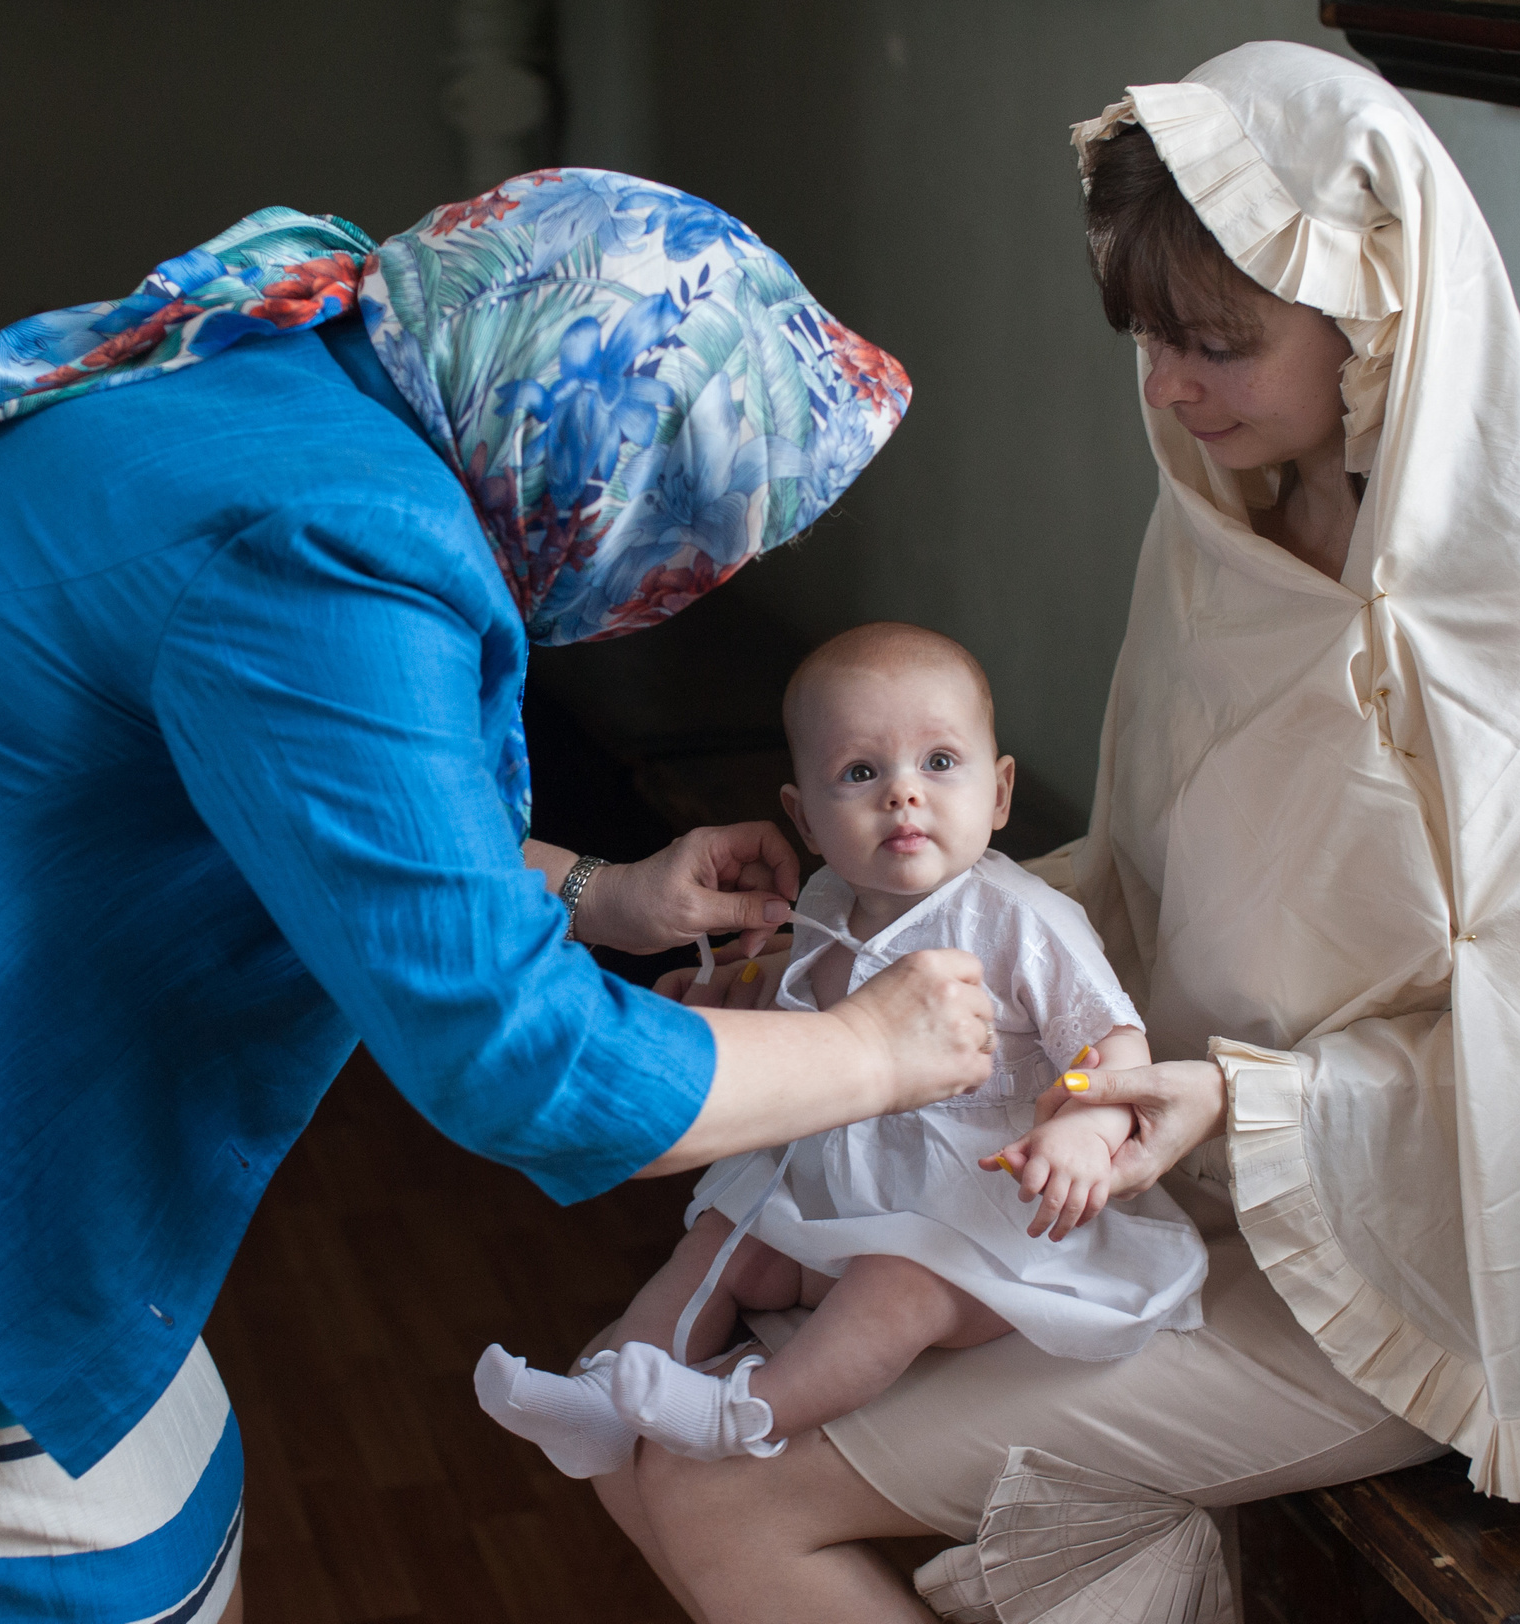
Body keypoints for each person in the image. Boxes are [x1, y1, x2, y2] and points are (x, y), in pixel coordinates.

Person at [0, 169, 1005, 1624]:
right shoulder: (342, 543)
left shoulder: (288, 356)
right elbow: (527, 1066)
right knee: (99, 1579)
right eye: (700, 532)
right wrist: (883, 1049)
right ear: (606, 476)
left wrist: (600, 893)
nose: (690, 579)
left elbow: (305, 801)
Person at [599, 44, 1520, 1624]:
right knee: (656, 1418)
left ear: (1377, 315)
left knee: (717, 1493)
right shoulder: (1225, 527)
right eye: (1149, 341)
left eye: (1219, 342)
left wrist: (1237, 1103)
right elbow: (1134, 884)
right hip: (1144, 1172)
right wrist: (869, 926)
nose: (1175, 390)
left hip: (1403, 1262)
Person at [474, 623, 1209, 1476]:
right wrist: (741, 992)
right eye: (861, 773)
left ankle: (746, 1413)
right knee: (723, 1234)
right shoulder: (824, 900)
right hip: (832, 1194)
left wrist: (1086, 1131)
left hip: (977, 1229)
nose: (903, 795)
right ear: (806, 819)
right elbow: (801, 1004)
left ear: (999, 793)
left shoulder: (1020, 919)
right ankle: (602, 1403)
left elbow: (1117, 1045)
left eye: (940, 763)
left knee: (897, 1291)